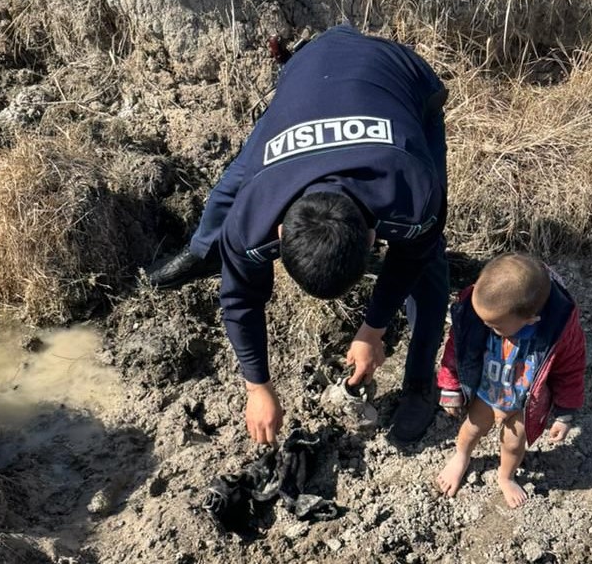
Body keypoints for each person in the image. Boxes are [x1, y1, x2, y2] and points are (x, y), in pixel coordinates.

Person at [147, 24, 449, 445]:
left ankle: (420, 382)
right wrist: (257, 387)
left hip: (399, 78)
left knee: (431, 262)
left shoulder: (412, 190)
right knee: (231, 188)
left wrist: (373, 329)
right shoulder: (253, 217)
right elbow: (239, 299)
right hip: (310, 74)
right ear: (281, 229)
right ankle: (204, 252)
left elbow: (412, 257)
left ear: (371, 237)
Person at [434, 253, 585, 508]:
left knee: (514, 444)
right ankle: (461, 456)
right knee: (472, 427)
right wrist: (450, 386)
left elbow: (571, 369)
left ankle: (506, 476)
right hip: (488, 389)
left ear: (530, 320)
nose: (487, 326)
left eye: (495, 327)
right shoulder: (479, 308)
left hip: (524, 400)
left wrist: (565, 413)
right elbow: (457, 346)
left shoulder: (559, 330)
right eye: (483, 321)